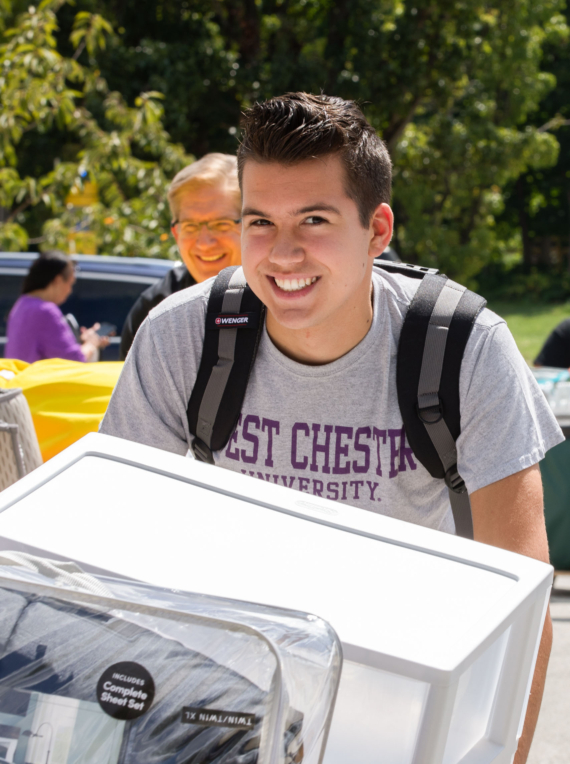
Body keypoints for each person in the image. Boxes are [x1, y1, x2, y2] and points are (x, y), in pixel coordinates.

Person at [101, 93, 563, 763]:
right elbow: (111, 555)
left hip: (396, 700)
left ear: (377, 230)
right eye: (260, 221)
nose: (281, 254)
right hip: (220, 699)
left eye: (313, 220)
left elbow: (522, 598)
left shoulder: (462, 347)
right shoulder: (184, 336)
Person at [119, 153, 241, 359]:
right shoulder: (154, 312)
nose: (204, 243)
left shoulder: (288, 299)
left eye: (222, 224)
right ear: (176, 233)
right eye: (190, 226)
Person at [6, 251, 109, 363]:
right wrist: (92, 342)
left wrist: (82, 341)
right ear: (58, 281)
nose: (70, 290)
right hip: (38, 380)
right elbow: (74, 360)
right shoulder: (45, 311)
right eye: (70, 283)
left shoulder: (21, 305)